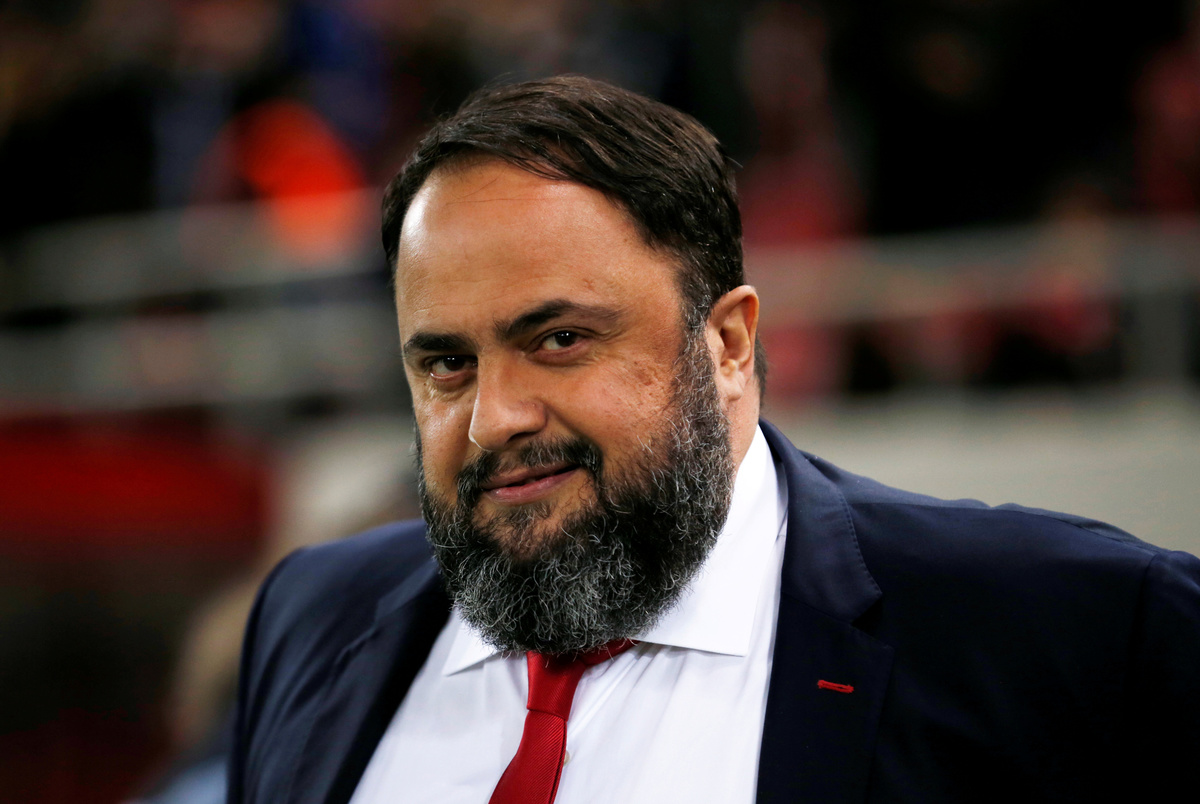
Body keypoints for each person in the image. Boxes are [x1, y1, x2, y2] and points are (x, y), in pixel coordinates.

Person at [228, 76, 1200, 804]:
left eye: (559, 340)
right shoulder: (312, 619)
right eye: (446, 364)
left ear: (729, 344)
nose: (495, 419)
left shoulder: (1065, 629)